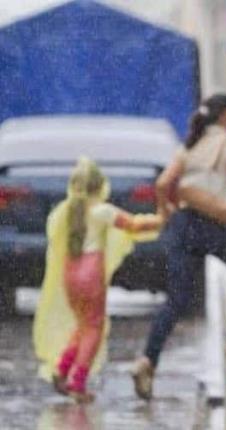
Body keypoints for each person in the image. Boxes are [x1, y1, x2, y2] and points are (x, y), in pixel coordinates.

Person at [132, 94, 226, 400]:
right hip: (218, 227)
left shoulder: (189, 145)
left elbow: (163, 184)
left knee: (176, 300)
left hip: (184, 224)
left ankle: (148, 360)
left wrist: (166, 213)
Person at [33, 157, 164, 403]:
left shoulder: (67, 211)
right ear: (99, 186)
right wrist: (162, 220)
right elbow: (133, 225)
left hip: (70, 272)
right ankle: (77, 382)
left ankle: (62, 370)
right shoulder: (102, 210)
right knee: (94, 328)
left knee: (82, 325)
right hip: (91, 273)